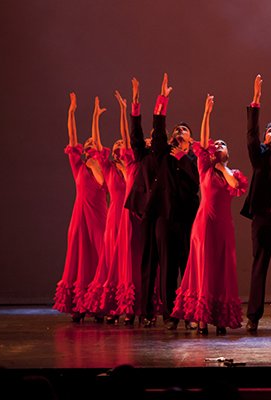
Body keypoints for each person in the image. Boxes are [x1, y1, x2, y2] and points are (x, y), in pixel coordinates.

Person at [124, 73, 199, 328]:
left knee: (172, 264)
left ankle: (172, 312)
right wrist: (155, 102)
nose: (178, 131)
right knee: (149, 262)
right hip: (152, 212)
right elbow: (143, 135)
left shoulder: (190, 160)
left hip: (178, 217)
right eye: (176, 129)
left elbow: (193, 189)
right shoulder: (160, 152)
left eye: (184, 129)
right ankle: (147, 311)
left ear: (190, 139)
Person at [171, 94, 248, 335]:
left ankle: (220, 318)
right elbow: (203, 141)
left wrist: (221, 166)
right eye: (216, 145)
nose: (218, 146)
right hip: (203, 224)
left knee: (222, 269)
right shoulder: (204, 166)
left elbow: (236, 186)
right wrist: (206, 114)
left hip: (223, 227)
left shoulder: (231, 172)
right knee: (204, 268)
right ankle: (202, 319)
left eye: (223, 145)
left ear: (228, 152)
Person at [54, 93, 108, 322]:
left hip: (99, 217)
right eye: (86, 145)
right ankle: (78, 304)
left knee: (99, 258)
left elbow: (103, 183)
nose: (87, 145)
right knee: (78, 257)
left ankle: (97, 304)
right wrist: (72, 112)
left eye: (92, 144)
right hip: (80, 216)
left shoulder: (101, 165)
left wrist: (96, 118)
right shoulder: (78, 165)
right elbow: (72, 136)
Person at [240, 75, 271, 333]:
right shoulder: (259, 156)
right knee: (259, 266)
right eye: (269, 131)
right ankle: (254, 316)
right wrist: (255, 102)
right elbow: (250, 136)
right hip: (262, 219)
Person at [81, 96, 128, 322]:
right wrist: (95, 118)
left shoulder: (130, 168)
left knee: (127, 262)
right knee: (111, 261)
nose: (118, 145)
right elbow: (98, 144)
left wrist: (124, 112)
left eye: (122, 143)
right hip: (114, 218)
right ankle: (110, 306)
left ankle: (127, 306)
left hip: (130, 218)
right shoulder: (107, 167)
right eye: (116, 143)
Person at [111, 85, 146, 325]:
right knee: (129, 258)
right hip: (130, 213)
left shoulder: (149, 163)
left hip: (145, 212)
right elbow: (127, 136)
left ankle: (145, 306)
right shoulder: (131, 162)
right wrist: (127, 107)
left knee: (143, 259)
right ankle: (128, 306)